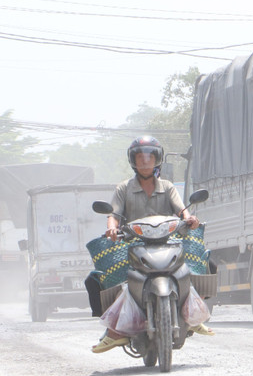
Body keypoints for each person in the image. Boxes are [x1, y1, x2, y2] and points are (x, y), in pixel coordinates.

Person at [91, 136, 213, 353]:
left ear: (157, 159)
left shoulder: (167, 187)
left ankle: (194, 315)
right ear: (133, 161)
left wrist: (190, 218)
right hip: (133, 246)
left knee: (200, 264)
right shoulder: (124, 188)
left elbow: (182, 210)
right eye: (140, 157)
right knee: (108, 279)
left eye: (149, 157)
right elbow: (114, 214)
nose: (145, 161)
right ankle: (114, 331)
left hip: (168, 242)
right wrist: (111, 227)